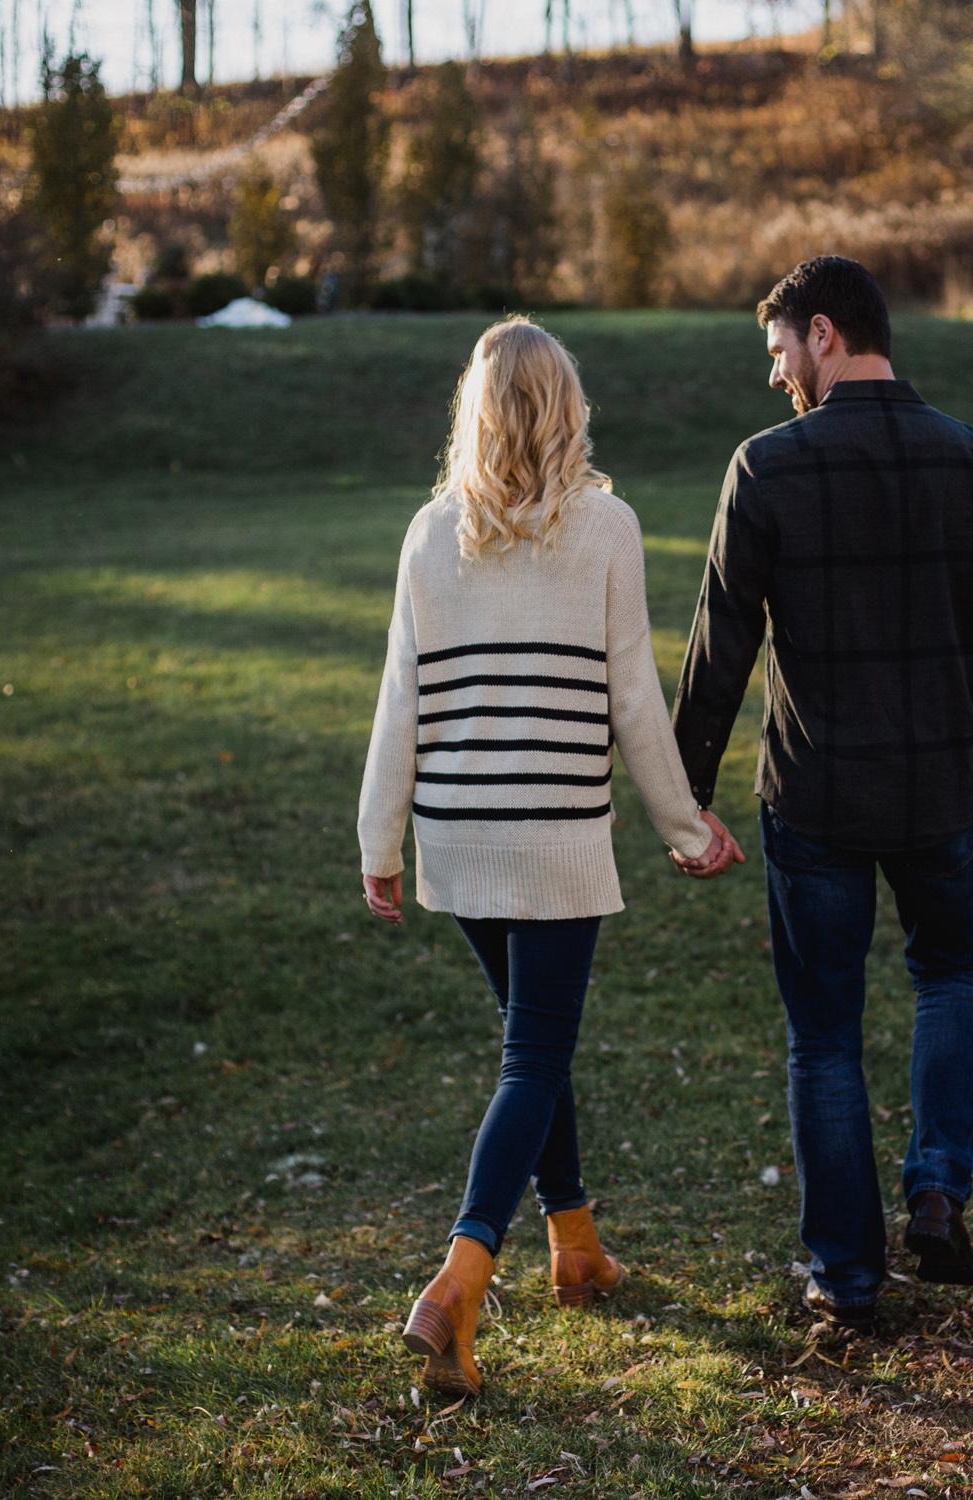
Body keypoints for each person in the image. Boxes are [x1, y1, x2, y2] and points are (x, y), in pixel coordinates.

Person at [671, 256, 973, 1332]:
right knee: (952, 977)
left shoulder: (766, 467)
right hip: (943, 791)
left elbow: (719, 645)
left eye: (779, 351)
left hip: (815, 798)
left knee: (824, 1036)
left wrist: (685, 795)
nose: (776, 376)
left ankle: (845, 1277)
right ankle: (936, 1191)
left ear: (826, 335)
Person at [358, 317, 746, 1397]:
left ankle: (576, 1245)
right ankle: (459, 1280)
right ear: (567, 409)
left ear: (475, 414)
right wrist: (686, 828)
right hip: (556, 834)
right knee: (532, 1055)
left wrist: (379, 842)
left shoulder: (430, 532)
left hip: (459, 832)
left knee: (533, 1040)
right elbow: (634, 697)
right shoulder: (607, 527)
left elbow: (400, 699)